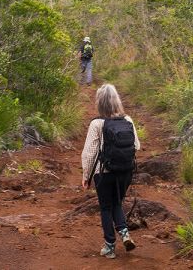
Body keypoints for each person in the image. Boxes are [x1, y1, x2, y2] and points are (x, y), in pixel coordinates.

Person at [80, 83, 140, 259]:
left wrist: (86, 176)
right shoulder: (127, 120)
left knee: (106, 207)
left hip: (104, 172)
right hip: (125, 171)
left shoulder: (97, 124)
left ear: (100, 102)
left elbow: (89, 154)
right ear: (116, 101)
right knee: (117, 203)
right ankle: (124, 232)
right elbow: (136, 145)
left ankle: (110, 247)